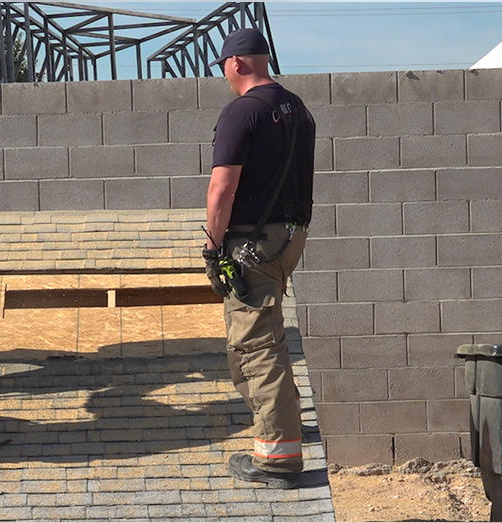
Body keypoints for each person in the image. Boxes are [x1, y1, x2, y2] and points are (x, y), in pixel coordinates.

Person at [203, 28, 316, 490]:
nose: (226, 77)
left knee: (256, 346)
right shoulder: (298, 110)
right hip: (289, 238)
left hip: (252, 242)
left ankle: (277, 461)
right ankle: (285, 420)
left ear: (236, 64)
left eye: (224, 69)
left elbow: (222, 189)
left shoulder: (242, 112)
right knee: (265, 335)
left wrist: (212, 247)